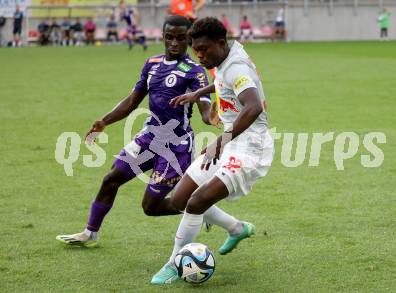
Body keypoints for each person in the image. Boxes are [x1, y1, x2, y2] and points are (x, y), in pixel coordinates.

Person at [56, 15, 230, 248]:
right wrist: (104, 121)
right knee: (111, 179)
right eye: (169, 38)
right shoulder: (152, 64)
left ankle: (201, 208)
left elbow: (204, 109)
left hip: (176, 146)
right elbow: (132, 102)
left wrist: (212, 117)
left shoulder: (195, 71)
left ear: (188, 40)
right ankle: (90, 233)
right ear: (163, 37)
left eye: (180, 38)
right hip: (149, 138)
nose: (174, 43)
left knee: (151, 207)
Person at [151, 17, 274, 285]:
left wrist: (221, 141)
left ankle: (173, 264)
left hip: (249, 147)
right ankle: (237, 228)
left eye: (204, 50)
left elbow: (253, 106)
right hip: (231, 140)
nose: (199, 55)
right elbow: (221, 79)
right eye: (196, 50)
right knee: (181, 198)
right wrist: (199, 94)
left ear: (220, 43)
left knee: (196, 202)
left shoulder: (236, 68)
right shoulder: (226, 56)